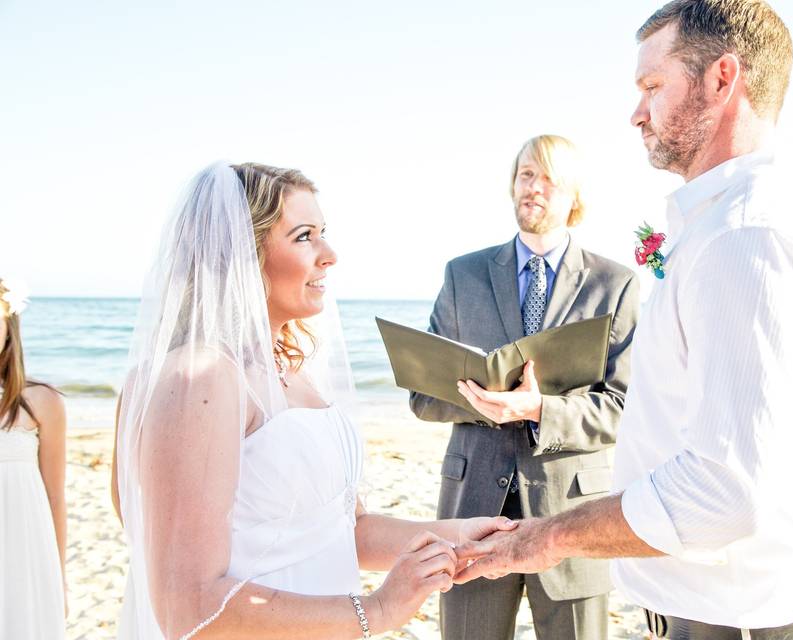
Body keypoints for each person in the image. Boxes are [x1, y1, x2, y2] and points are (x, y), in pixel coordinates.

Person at [455, 2, 793, 639]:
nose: (636, 112)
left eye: (652, 86)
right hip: (711, 614)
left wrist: (550, 537)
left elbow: (724, 492)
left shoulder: (743, 239)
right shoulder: (721, 227)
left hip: (747, 623)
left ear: (722, 79)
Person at [111, 163, 516, 639]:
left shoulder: (291, 369)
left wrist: (454, 536)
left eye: (323, 233)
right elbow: (189, 605)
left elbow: (342, 528)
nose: (330, 255)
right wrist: (379, 609)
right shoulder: (198, 378)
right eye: (304, 236)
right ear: (238, 254)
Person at [410, 134, 640, 640]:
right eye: (525, 175)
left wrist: (539, 410)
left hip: (573, 512)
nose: (533, 188)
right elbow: (421, 395)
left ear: (575, 196)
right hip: (471, 510)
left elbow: (624, 409)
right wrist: (486, 405)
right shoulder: (462, 275)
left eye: (549, 178)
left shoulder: (615, 283)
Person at [0, 277, 68, 638]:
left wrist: (59, 577)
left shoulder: (41, 402)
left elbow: (55, 497)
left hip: (24, 555)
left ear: (9, 330)